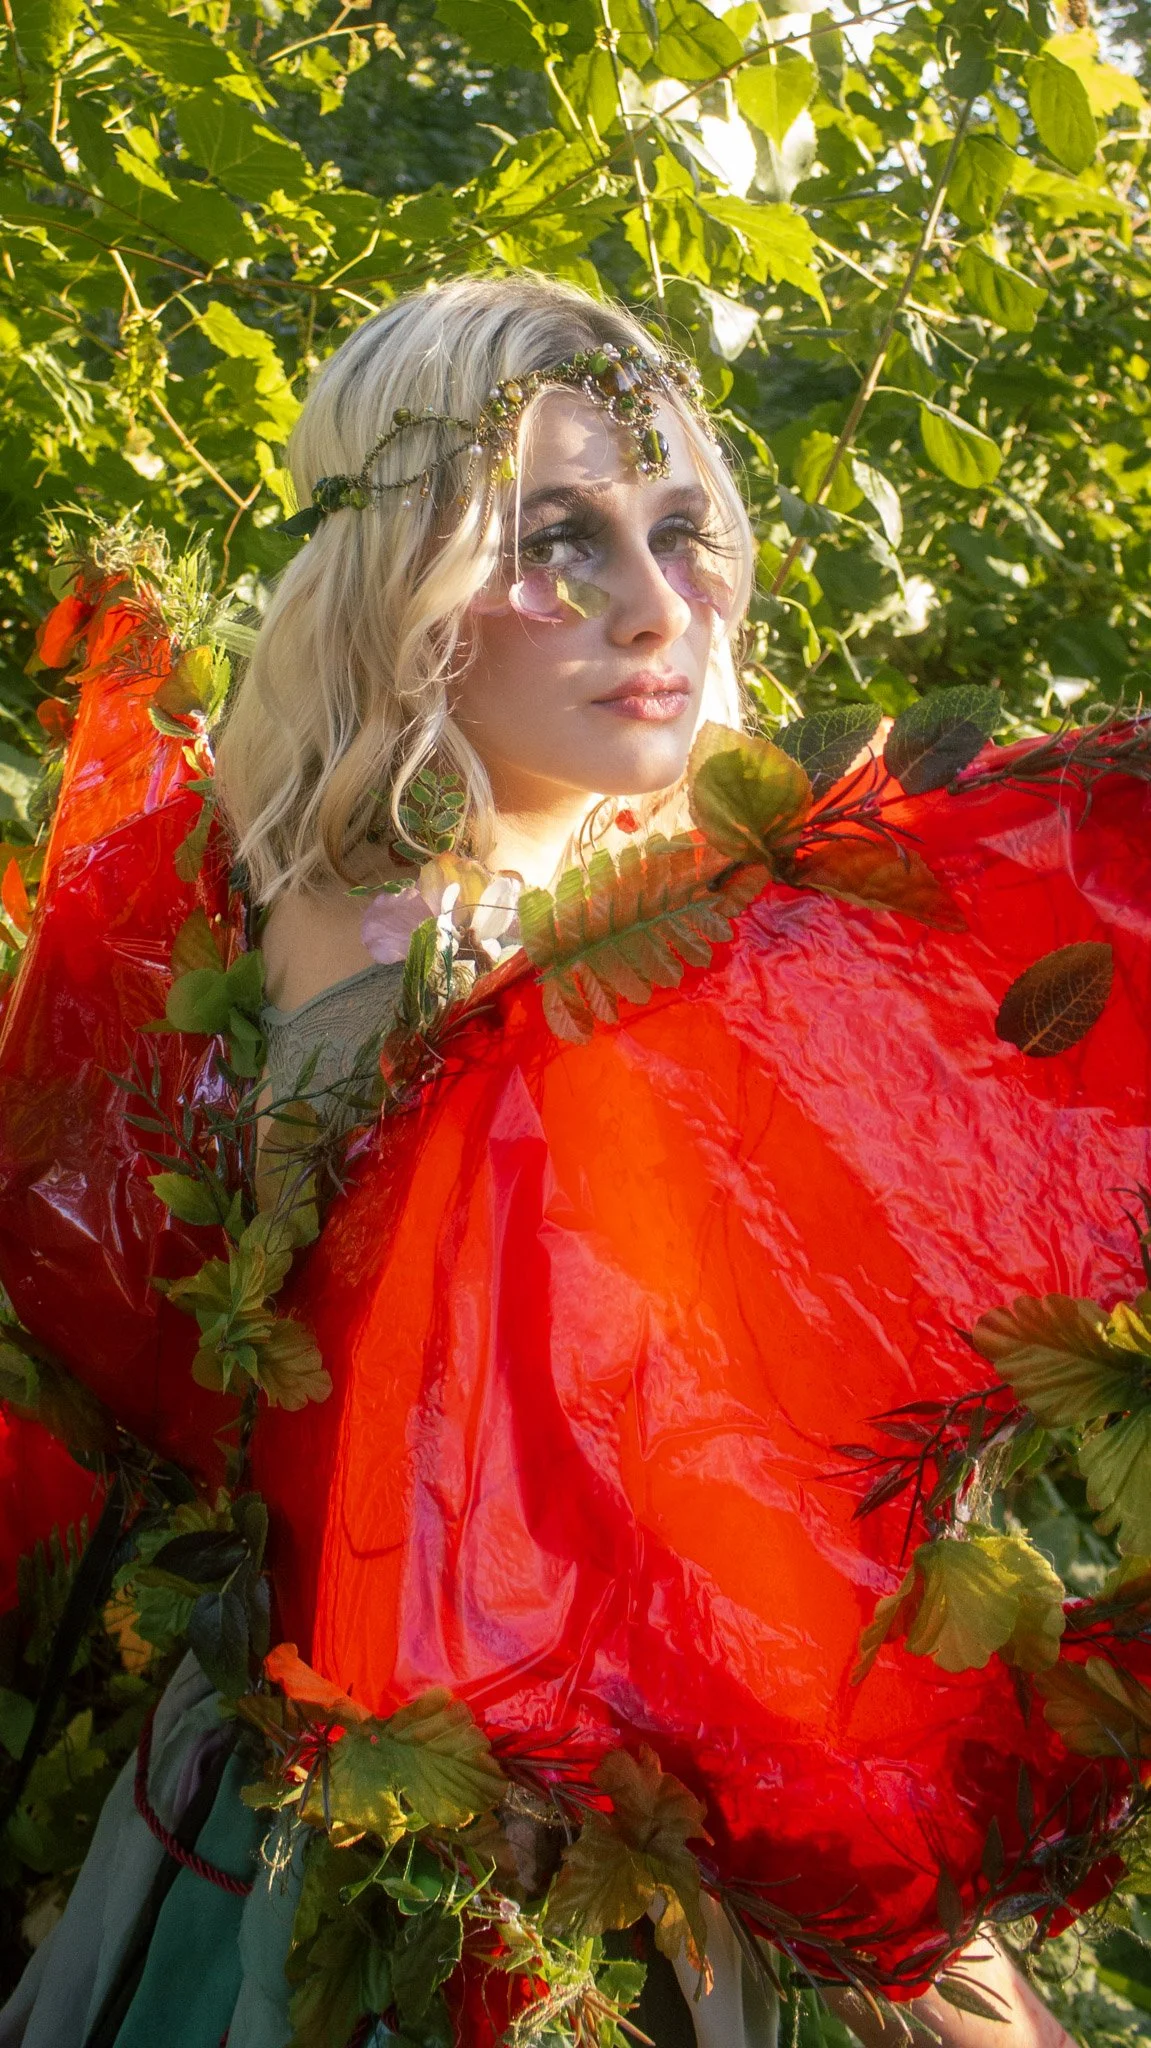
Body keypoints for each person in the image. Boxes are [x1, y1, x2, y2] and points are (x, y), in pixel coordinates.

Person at [0, 274, 1087, 2047]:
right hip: (442, 1861)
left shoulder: (334, 891)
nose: (658, 608)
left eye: (680, 530)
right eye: (558, 538)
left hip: (576, 1792)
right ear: (401, 582)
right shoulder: (426, 965)